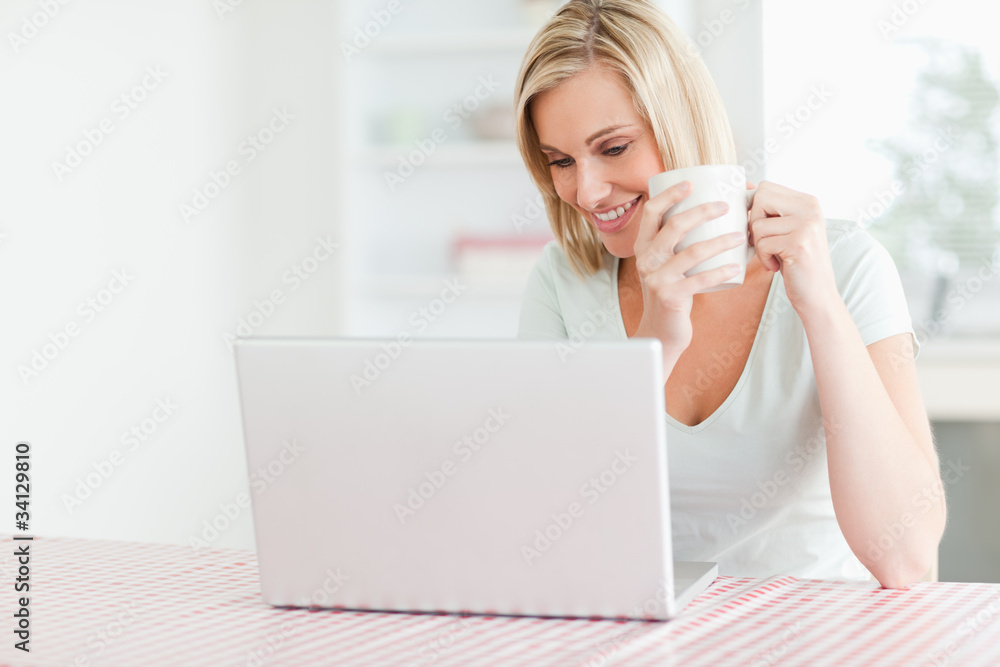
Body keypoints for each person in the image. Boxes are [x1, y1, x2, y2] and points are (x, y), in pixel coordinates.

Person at [513, 0, 945, 588]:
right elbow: (548, 533)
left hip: (818, 632)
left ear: (681, 123)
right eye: (560, 161)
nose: (586, 192)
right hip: (644, 633)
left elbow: (905, 557)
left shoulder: (846, 265)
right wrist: (660, 334)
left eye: (613, 148)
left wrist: (819, 304)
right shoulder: (560, 283)